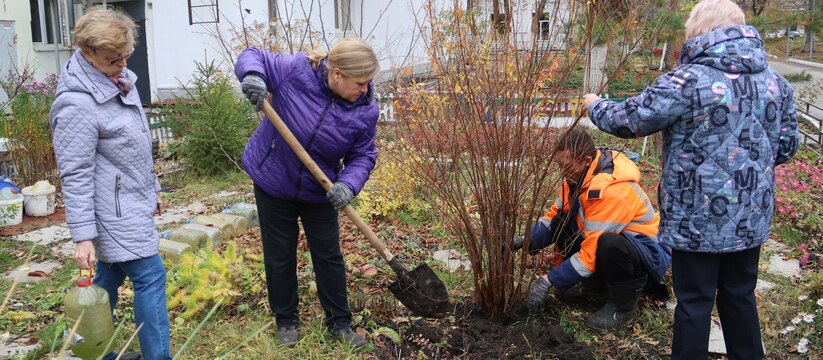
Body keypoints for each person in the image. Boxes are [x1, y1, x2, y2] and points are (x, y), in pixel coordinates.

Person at [582, 0, 799, 358]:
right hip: (749, 218)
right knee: (740, 296)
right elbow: (787, 147)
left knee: (695, 302)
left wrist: (595, 105)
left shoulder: (686, 81)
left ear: (700, 32)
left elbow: (630, 120)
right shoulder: (776, 83)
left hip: (696, 220)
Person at [235, 37, 380, 347]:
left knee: (328, 255)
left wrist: (348, 184)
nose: (365, 89)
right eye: (361, 82)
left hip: (321, 188)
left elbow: (363, 155)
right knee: (279, 255)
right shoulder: (295, 71)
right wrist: (253, 76)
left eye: (369, 83)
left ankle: (339, 323)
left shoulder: (365, 111)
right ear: (337, 73)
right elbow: (253, 56)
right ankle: (286, 321)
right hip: (274, 179)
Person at [50, 8, 170, 360]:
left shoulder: (117, 81)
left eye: (125, 55)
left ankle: (90, 350)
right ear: (87, 54)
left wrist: (154, 188)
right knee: (150, 276)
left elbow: (133, 147)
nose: (122, 63)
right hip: (111, 212)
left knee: (108, 277)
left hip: (130, 202)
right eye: (112, 58)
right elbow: (75, 173)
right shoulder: (76, 104)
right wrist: (83, 235)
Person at [512, 128, 671, 330]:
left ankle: (623, 304)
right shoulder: (576, 177)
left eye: (566, 166)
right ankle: (596, 286)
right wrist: (522, 240)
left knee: (609, 243)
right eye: (559, 165)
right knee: (565, 220)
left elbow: (591, 252)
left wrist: (548, 280)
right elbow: (555, 217)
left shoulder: (611, 191)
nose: (562, 171)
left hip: (645, 256)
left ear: (586, 161)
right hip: (613, 250)